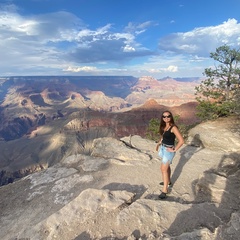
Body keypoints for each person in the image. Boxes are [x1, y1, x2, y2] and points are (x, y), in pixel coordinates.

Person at [156, 110, 184, 199]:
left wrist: (174, 149)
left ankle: (165, 190)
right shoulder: (164, 126)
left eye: (168, 116)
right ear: (162, 118)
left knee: (163, 169)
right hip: (163, 148)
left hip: (169, 150)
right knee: (166, 167)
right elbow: (164, 135)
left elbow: (181, 141)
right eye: (164, 117)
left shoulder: (173, 127)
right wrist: (160, 142)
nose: (166, 118)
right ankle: (168, 182)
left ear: (171, 117)